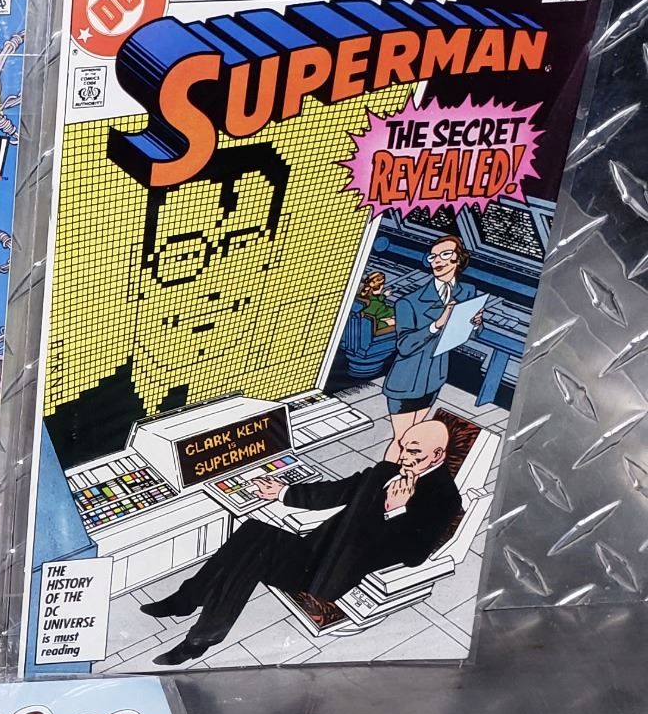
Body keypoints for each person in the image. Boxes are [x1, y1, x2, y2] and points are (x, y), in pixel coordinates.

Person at [142, 419, 462, 665]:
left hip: (334, 574)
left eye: (414, 452)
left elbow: (415, 555)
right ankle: (187, 600)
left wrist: (395, 511)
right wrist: (282, 492)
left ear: (437, 454)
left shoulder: (444, 498)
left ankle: (199, 639)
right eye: (404, 448)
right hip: (314, 551)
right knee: (254, 530)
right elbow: (336, 491)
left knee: (250, 559)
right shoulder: (386, 470)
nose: (404, 457)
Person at [386, 237, 483, 442]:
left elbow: (468, 334)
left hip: (434, 378)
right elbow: (404, 346)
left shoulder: (467, 291)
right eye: (433, 257)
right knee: (401, 439)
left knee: (413, 438)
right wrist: (437, 324)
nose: (437, 260)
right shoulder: (408, 302)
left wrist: (475, 324)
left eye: (445, 254)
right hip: (406, 380)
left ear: (459, 259)